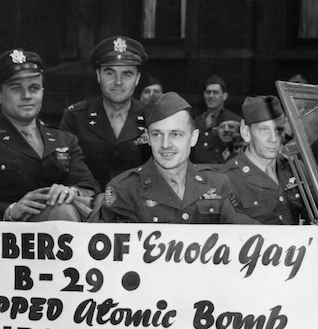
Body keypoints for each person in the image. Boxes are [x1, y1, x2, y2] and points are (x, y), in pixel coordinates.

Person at [0, 48, 100, 221]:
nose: (27, 96)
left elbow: (89, 187)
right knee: (61, 211)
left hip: (62, 233)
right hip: (3, 240)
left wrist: (70, 191)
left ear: (42, 92)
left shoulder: (63, 140)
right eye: (17, 88)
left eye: (34, 88)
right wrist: (10, 210)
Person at [92, 91, 256, 224]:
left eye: (175, 135)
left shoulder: (216, 184)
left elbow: (242, 227)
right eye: (157, 135)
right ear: (147, 138)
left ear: (193, 138)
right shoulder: (124, 189)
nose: (165, 144)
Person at [60, 36, 151, 188]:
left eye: (127, 74)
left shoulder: (152, 116)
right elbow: (67, 171)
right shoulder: (76, 117)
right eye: (110, 73)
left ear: (137, 78)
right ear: (98, 75)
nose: (118, 81)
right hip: (90, 203)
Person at [221, 96, 303, 225]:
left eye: (279, 130)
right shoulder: (226, 180)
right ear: (246, 132)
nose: (274, 139)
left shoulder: (296, 169)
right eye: (264, 130)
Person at [191, 74, 241, 164]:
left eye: (215, 92)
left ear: (224, 96)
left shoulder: (233, 121)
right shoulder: (197, 121)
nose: (211, 96)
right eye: (208, 92)